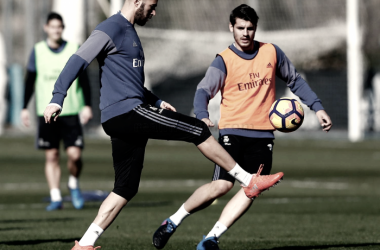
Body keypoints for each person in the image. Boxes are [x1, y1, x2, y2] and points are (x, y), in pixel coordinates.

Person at [42, 1, 284, 249]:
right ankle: (247, 179)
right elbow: (77, 60)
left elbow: (130, 84)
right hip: (128, 113)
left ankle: (84, 243)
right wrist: (57, 98)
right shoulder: (111, 27)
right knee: (198, 129)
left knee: (125, 188)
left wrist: (155, 100)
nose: (154, 11)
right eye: (151, 5)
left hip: (124, 115)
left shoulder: (130, 32)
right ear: (136, 1)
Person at [152, 4, 333, 250]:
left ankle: (210, 238)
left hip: (263, 136)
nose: (245, 33)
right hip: (232, 133)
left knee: (251, 188)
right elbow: (203, 91)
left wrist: (317, 107)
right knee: (222, 186)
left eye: (250, 28)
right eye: (240, 28)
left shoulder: (271, 52)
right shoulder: (224, 60)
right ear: (231, 27)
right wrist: (203, 116)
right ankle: (172, 221)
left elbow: (295, 80)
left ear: (255, 28)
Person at [21, 12, 93, 211]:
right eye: (53, 26)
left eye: (59, 26)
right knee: (51, 156)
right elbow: (29, 81)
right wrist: (24, 107)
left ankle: (73, 184)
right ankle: (55, 197)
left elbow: (85, 80)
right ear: (46, 28)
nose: (56, 30)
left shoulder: (74, 49)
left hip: (70, 111)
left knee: (75, 155)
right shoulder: (38, 51)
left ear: (62, 28)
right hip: (46, 113)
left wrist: (87, 105)